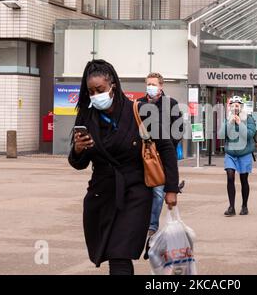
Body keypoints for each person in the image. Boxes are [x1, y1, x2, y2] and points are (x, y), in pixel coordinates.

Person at [68, 60, 179, 275]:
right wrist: (78, 149)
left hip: (135, 192)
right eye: (91, 91)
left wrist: (171, 189)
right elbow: (78, 164)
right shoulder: (86, 116)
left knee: (120, 252)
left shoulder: (141, 111)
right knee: (111, 252)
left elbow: (166, 148)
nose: (95, 95)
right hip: (102, 194)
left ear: (113, 86)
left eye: (99, 89)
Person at [137, 72, 183, 239]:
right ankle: (140, 221)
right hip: (143, 154)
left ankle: (152, 225)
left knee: (157, 191)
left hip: (162, 155)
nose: (151, 87)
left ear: (161, 86)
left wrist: (167, 145)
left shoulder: (171, 104)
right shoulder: (138, 104)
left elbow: (178, 130)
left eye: (154, 84)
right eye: (148, 83)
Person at [219, 96, 256, 216]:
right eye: (233, 105)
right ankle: (231, 207)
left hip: (244, 153)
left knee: (243, 179)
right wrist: (229, 123)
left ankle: (244, 206)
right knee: (230, 176)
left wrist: (240, 124)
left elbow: (249, 135)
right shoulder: (227, 119)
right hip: (231, 153)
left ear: (241, 107)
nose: (235, 107)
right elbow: (221, 135)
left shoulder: (248, 118)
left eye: (237, 105)